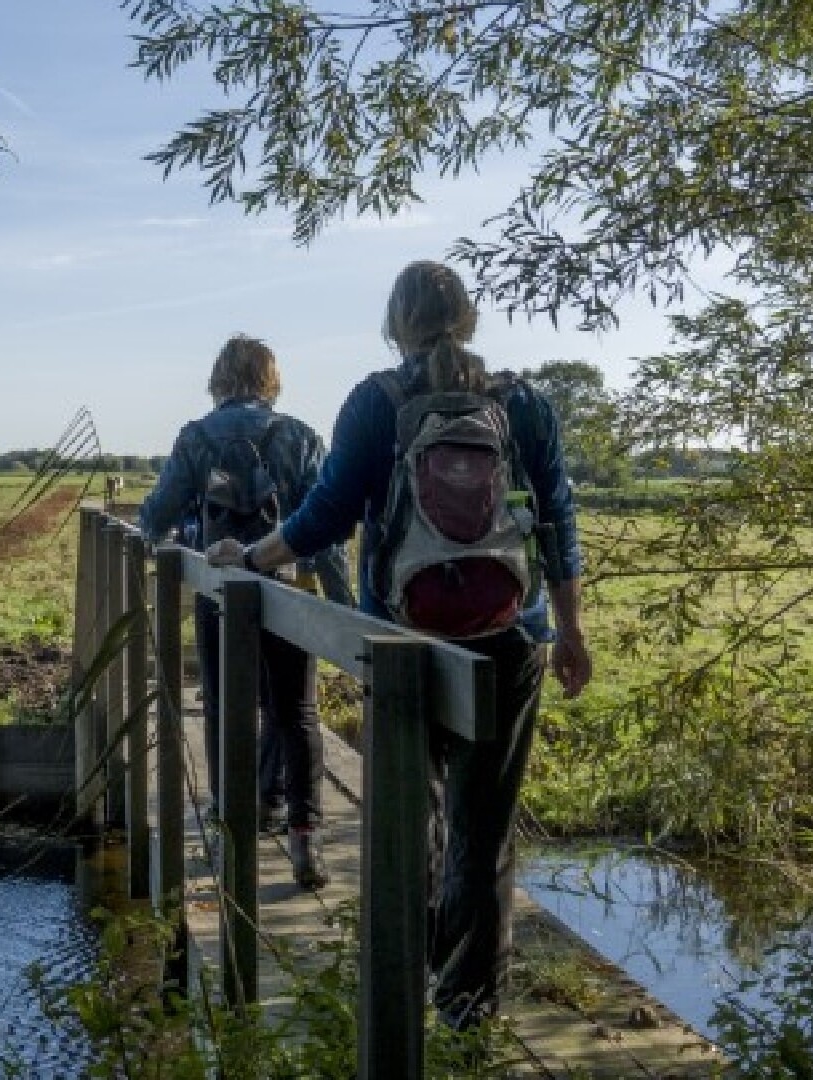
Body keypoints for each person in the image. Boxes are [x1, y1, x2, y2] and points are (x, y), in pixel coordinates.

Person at [207, 261, 593, 1029]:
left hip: (402, 640)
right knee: (483, 837)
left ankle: (407, 987)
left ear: (394, 325)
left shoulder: (376, 402)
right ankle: (470, 1011)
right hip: (511, 638)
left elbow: (325, 517)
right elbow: (557, 522)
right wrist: (572, 630)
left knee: (409, 816)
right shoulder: (523, 403)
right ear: (470, 318)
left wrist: (249, 561)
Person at [139, 334, 352, 890]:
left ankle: (230, 818)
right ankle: (304, 836)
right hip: (289, 591)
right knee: (296, 712)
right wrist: (347, 610)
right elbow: (327, 530)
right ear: (269, 381)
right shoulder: (300, 437)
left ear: (219, 380)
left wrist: (152, 542)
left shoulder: (196, 438)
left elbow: (155, 516)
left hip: (218, 592)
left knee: (223, 705)